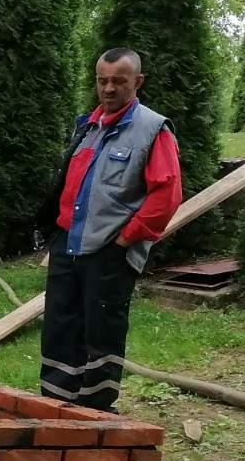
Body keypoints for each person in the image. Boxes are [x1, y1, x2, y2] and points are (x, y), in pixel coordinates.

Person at [38, 47, 182, 412]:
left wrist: (123, 241)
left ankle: (96, 412)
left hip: (109, 253)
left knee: (100, 335)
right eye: (102, 80)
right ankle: (55, 407)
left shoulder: (152, 130)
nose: (109, 88)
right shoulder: (87, 125)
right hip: (68, 247)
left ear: (138, 81)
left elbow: (165, 197)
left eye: (119, 81)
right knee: (59, 328)